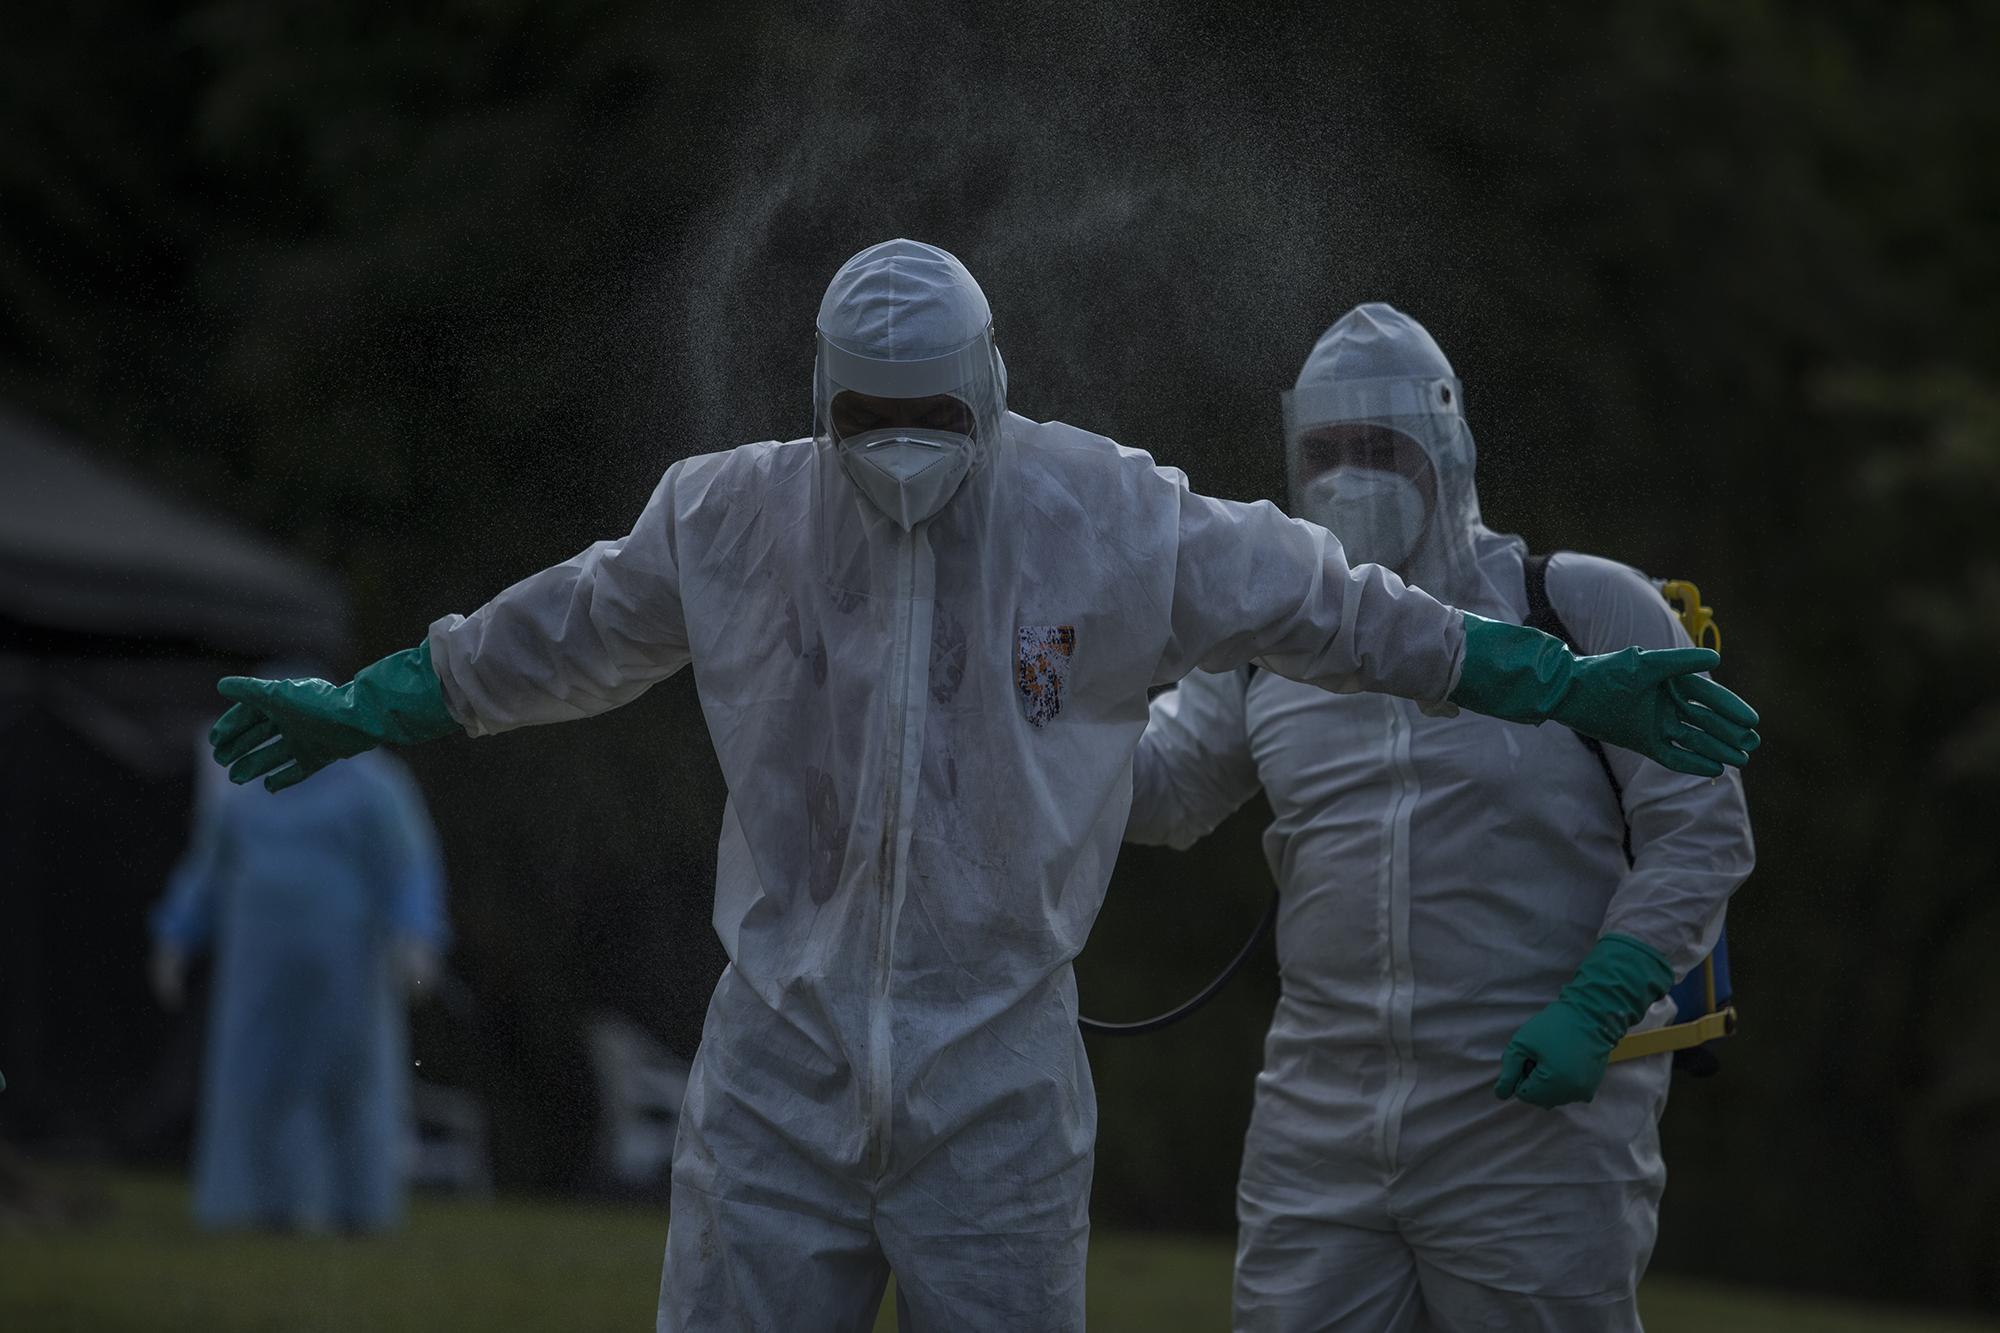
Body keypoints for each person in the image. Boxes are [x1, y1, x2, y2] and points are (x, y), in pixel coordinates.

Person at [203, 243, 1758, 1331]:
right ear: (820, 396)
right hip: (777, 1067)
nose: (896, 452)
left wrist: (1554, 679)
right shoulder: (733, 518)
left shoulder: (1111, 514)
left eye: (930, 417)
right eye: (864, 420)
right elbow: (566, 629)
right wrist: (376, 697)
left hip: (999, 1075)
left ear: (993, 389)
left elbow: (1343, 609)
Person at [1126, 302, 1757, 1332]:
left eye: (1378, 448)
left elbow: (1701, 831)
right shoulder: (1270, 645)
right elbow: (1162, 789)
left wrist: (1597, 1003)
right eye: (1322, 451)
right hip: (1316, 1124)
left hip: (1532, 1128)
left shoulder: (1579, 611)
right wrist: (1043, 713)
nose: (1346, 477)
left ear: (1447, 452)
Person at [151, 714, 448, 1234]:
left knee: (345, 1082)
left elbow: (408, 860)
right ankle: (255, 1207)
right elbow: (212, 866)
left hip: (346, 966)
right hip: (259, 970)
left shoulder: (372, 782)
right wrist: (176, 934)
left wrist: (416, 932)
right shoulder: (246, 787)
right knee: (259, 1083)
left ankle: (356, 1209)